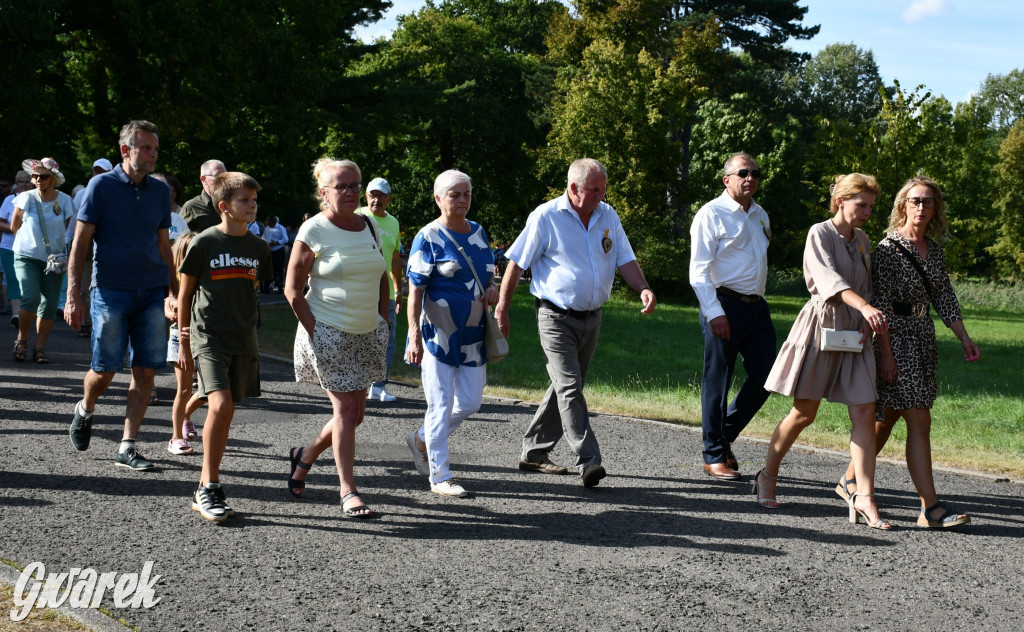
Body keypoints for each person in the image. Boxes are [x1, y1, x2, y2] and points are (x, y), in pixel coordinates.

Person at [495, 158, 657, 487]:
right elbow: (515, 263)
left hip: (592, 319)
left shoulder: (607, 215)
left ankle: (534, 451)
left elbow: (624, 258)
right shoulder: (546, 217)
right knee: (570, 388)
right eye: (594, 190)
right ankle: (589, 459)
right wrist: (502, 309)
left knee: (566, 387)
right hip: (555, 317)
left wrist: (643, 288)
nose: (600, 196)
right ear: (573, 188)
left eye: (603, 190)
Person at [837, 176, 979, 529]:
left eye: (928, 201)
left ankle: (849, 481)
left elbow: (944, 296)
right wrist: (885, 354)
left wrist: (963, 337)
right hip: (894, 337)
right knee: (919, 419)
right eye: (915, 200)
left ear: (936, 208)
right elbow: (880, 302)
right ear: (903, 204)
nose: (921, 207)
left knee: (887, 418)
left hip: (922, 337)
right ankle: (930, 508)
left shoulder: (935, 250)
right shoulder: (887, 248)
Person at [757, 173, 892, 530]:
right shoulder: (819, 233)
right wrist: (863, 307)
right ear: (841, 201)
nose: (867, 212)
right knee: (804, 413)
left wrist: (866, 317)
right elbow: (830, 281)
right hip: (823, 326)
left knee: (865, 411)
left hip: (856, 332)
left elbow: (868, 286)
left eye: (871, 207)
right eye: (861, 205)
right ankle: (767, 475)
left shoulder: (863, 240)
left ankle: (864, 496)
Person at [65, 120, 177, 472]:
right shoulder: (101, 186)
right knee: (106, 368)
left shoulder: (160, 192)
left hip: (151, 291)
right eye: (146, 148)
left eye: (155, 149)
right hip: (110, 288)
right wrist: (73, 296)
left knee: (145, 373)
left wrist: (173, 291)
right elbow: (80, 243)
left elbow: (164, 246)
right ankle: (85, 408)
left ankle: (127, 446)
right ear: (125, 150)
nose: (153, 154)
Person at [285, 158, 388, 518]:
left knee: (356, 414)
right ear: (323, 192)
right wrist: (317, 332)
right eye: (340, 186)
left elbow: (381, 276)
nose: (349, 192)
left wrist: (384, 319)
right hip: (328, 332)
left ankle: (306, 454)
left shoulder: (369, 225)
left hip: (366, 331)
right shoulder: (313, 230)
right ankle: (348, 491)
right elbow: (292, 291)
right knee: (345, 410)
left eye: (353, 186)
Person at [177, 172, 271, 521]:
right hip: (207, 336)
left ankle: (205, 481)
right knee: (220, 403)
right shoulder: (203, 243)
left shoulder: (259, 248)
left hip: (243, 339)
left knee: (227, 409)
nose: (252, 206)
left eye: (254, 200)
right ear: (224, 207)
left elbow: (254, 290)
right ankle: (210, 486)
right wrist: (184, 340)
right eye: (244, 200)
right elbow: (185, 294)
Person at [402, 170, 498, 498]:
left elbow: (488, 274)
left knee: (470, 402)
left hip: (473, 335)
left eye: (466, 194)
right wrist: (413, 335)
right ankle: (440, 475)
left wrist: (493, 289)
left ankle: (421, 438)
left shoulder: (479, 232)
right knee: (440, 404)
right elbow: (415, 292)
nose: (461, 200)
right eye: (454, 194)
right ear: (438, 198)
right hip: (438, 335)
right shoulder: (427, 236)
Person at [688, 153, 776, 481]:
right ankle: (713, 455)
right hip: (723, 304)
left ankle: (723, 435)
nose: (750, 177)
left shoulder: (760, 215)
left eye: (755, 172)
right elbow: (698, 271)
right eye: (742, 172)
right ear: (727, 179)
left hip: (757, 307)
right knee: (718, 381)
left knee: (768, 377)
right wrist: (714, 312)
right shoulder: (711, 214)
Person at [9, 158, 77, 363]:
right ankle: (21, 339)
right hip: (26, 256)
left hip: (54, 260)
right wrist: (30, 242)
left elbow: (66, 228)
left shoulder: (65, 201)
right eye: (36, 176)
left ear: (53, 179)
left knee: (49, 305)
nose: (38, 179)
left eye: (44, 176)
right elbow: (14, 226)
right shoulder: (25, 198)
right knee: (30, 297)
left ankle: (40, 347)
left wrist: (52, 247)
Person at [357, 177, 403, 402]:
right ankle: (357, 383)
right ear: (366, 196)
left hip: (387, 292)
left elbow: (395, 259)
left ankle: (378, 385)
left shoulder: (393, 222)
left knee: (386, 338)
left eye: (382, 195)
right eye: (372, 195)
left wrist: (399, 289)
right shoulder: (357, 217)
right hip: (360, 289)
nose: (377, 199)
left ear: (389, 198)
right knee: (359, 335)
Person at [165, 232, 206, 455]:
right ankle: (176, 438)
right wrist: (170, 309)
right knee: (184, 389)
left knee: (209, 389)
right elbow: (166, 302)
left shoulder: (205, 276)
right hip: (181, 337)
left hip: (206, 336)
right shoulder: (177, 281)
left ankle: (186, 416)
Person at [68, 159, 113, 339]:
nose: (98, 174)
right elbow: (74, 222)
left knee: (101, 288)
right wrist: (69, 242)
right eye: (96, 171)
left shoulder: (116, 192)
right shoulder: (83, 193)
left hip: (105, 250)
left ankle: (98, 323)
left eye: (102, 171)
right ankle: (86, 322)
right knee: (84, 288)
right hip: (86, 250)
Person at [1, 170, 33, 328]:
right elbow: (0, 223)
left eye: (27, 181)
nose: (24, 184)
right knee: (13, 279)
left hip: (29, 248)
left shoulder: (36, 200)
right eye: (21, 182)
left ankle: (26, 314)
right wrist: (15, 228)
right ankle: (16, 314)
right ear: (16, 184)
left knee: (27, 281)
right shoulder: (9, 200)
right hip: (8, 247)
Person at [179, 159, 226, 233]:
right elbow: (181, 238)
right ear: (203, 179)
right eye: (218, 176)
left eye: (225, 176)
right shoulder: (192, 207)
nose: (223, 180)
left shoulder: (232, 202)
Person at [261, 215, 287, 292]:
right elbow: (263, 238)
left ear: (274, 221)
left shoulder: (280, 228)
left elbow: (285, 239)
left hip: (278, 250)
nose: (267, 223)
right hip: (269, 251)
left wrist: (277, 242)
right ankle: (266, 287)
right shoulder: (267, 228)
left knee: (279, 269)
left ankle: (279, 286)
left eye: (269, 221)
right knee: (268, 268)